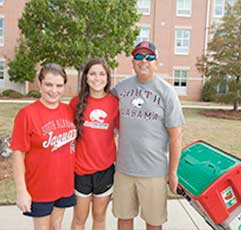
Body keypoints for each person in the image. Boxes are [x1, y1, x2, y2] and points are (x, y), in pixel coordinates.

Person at [112, 41, 185, 230]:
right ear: (132, 61)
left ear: (156, 62)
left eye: (149, 57)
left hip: (154, 172)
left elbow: (176, 136)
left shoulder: (167, 92)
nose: (144, 61)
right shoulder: (121, 88)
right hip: (124, 170)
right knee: (124, 217)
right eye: (138, 56)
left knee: (154, 221)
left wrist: (172, 172)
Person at [11, 63, 77, 230]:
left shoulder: (68, 110)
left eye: (59, 86)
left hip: (64, 184)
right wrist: (21, 191)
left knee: (56, 226)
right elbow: (18, 154)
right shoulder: (27, 114)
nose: (54, 90)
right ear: (39, 84)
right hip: (40, 187)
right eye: (49, 84)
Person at [70, 58, 119, 230]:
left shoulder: (114, 103)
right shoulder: (76, 103)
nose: (97, 78)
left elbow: (125, 133)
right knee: (79, 219)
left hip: (104, 170)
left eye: (101, 74)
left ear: (107, 78)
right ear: (86, 77)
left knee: (99, 217)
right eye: (92, 73)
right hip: (80, 170)